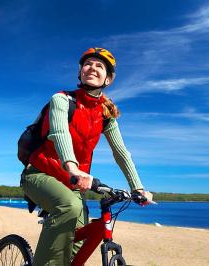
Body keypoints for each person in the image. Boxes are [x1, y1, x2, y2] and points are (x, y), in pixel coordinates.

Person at [20, 47, 153, 265]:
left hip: (74, 185)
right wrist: (72, 167)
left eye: (99, 66)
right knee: (69, 208)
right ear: (80, 72)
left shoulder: (106, 116)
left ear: (108, 79)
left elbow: (121, 152)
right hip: (40, 173)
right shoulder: (62, 100)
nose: (92, 68)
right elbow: (59, 133)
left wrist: (137, 188)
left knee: (79, 240)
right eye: (88, 64)